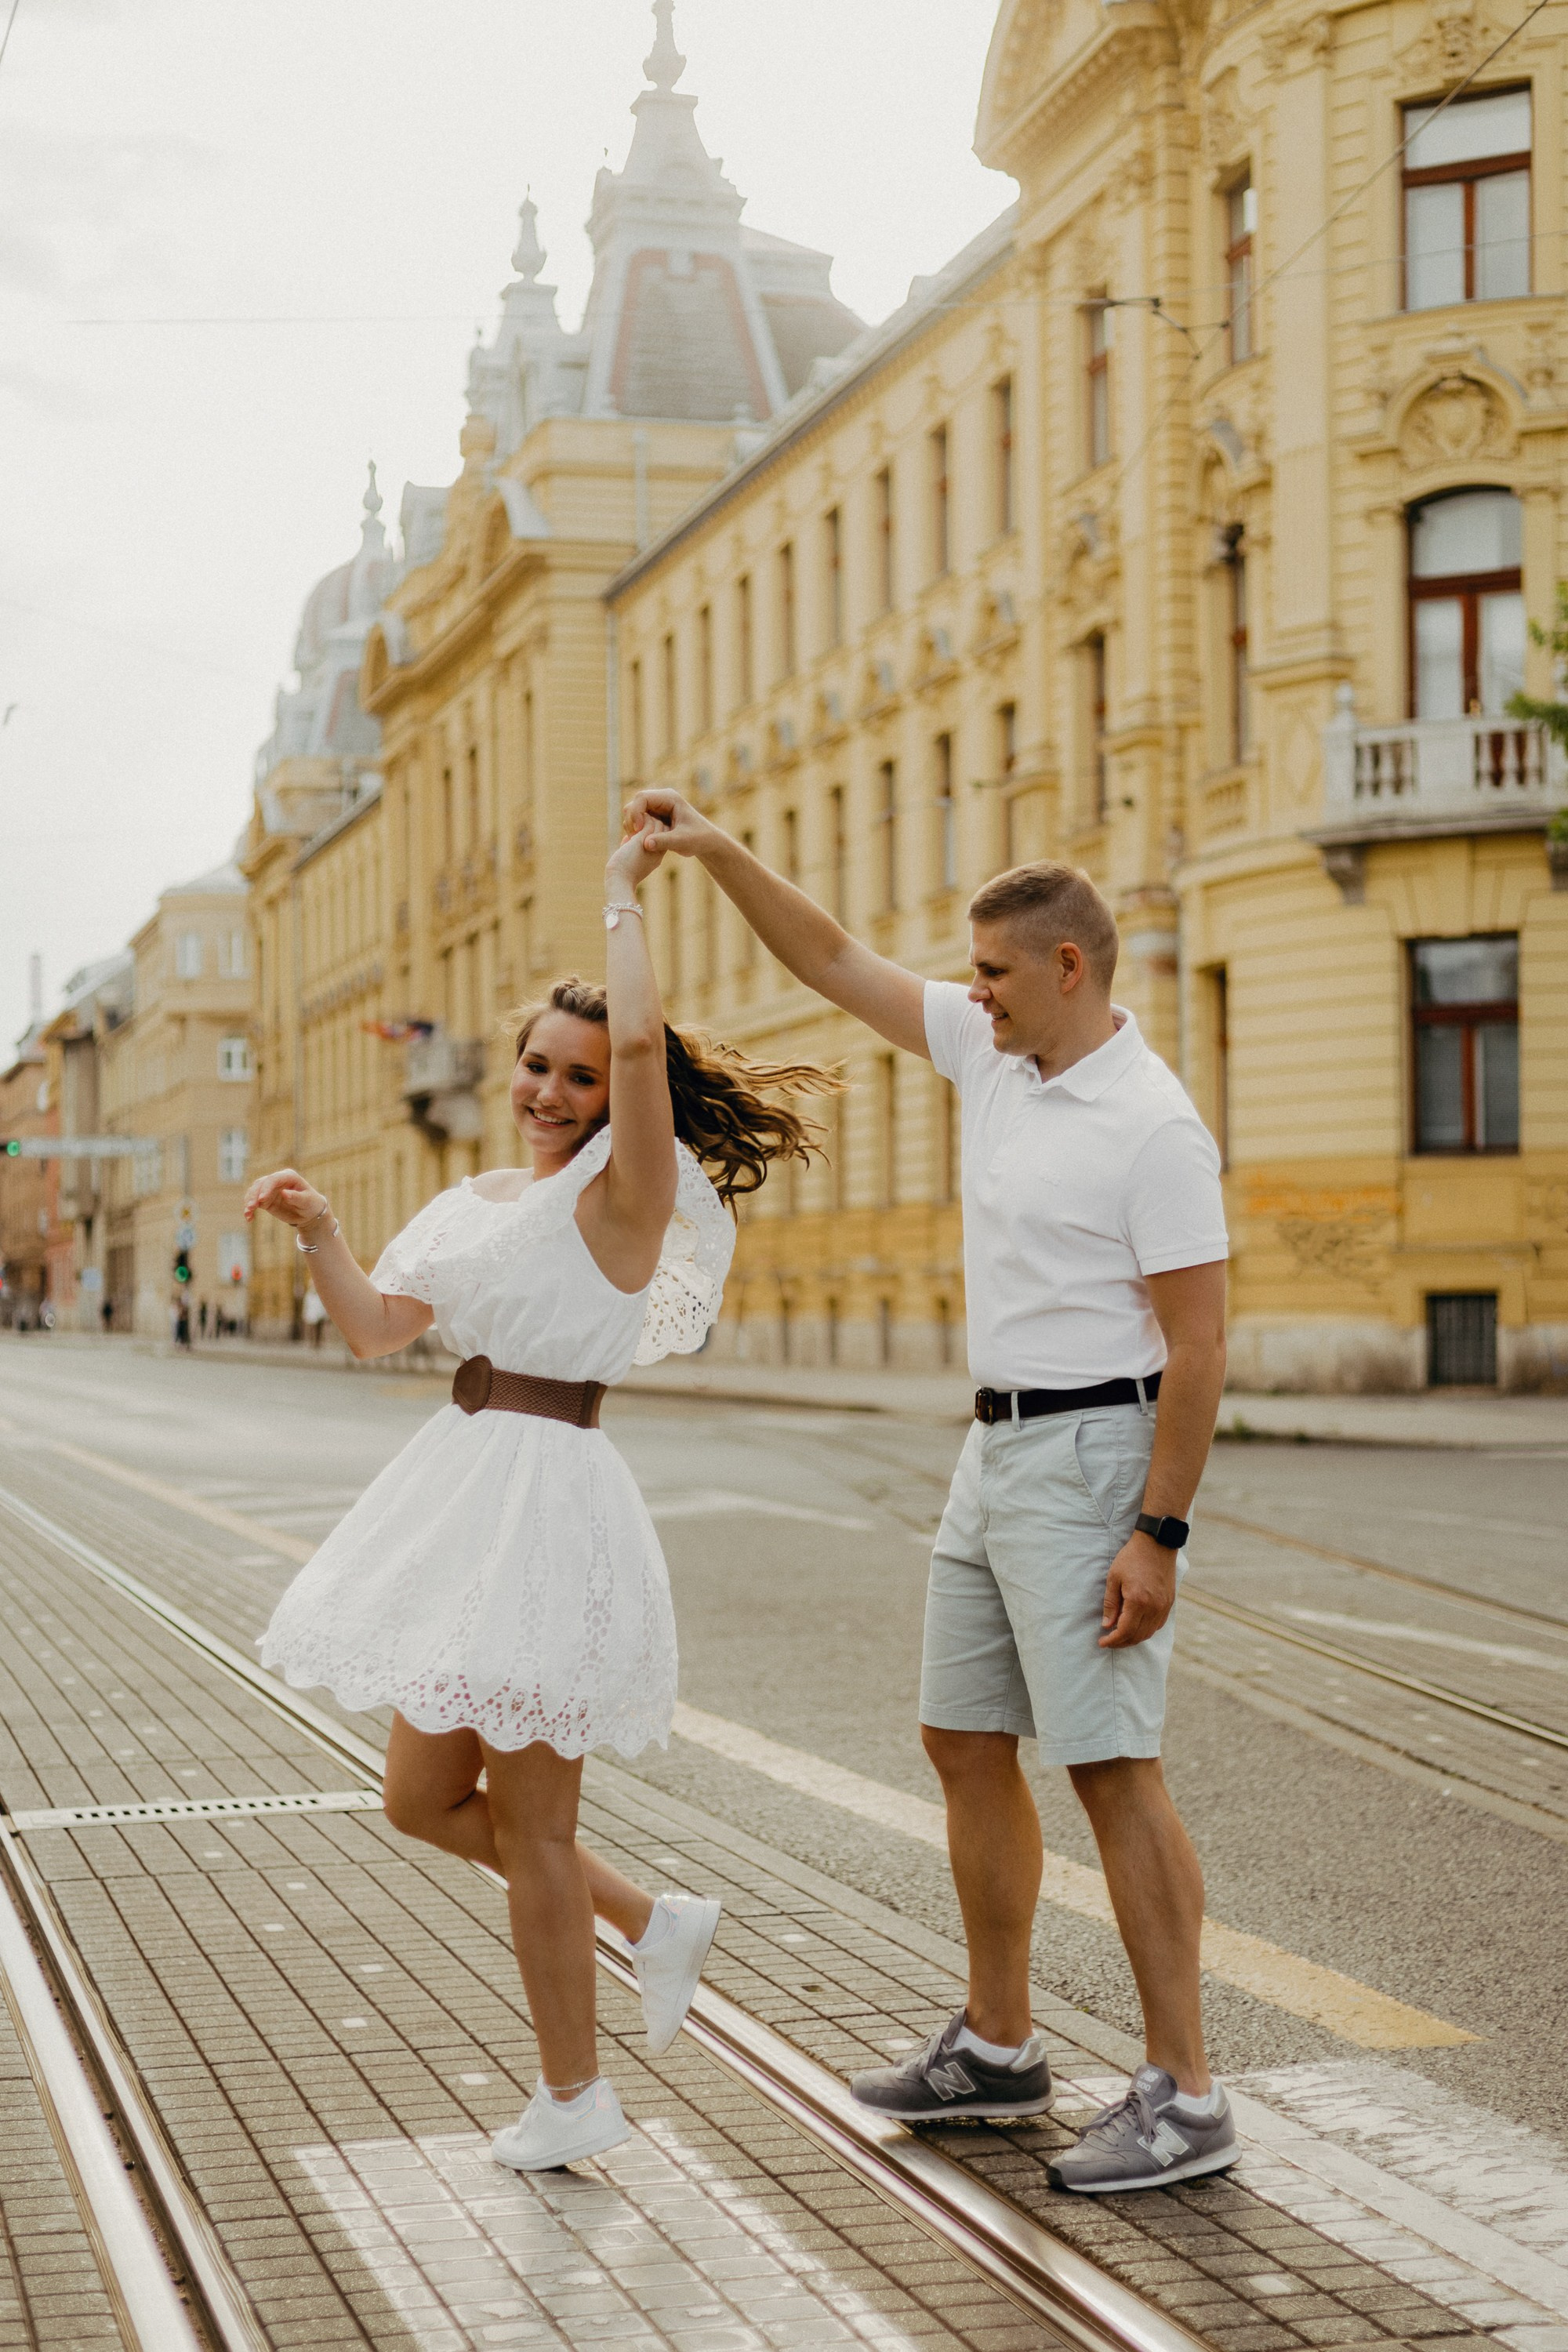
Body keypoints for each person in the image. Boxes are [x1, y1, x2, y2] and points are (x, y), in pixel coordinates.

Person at [624, 789, 1235, 2195]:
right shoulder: (998, 1059)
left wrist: (1158, 1530)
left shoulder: (1151, 1126)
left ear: (1067, 969)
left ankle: (1186, 2092)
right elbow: (833, 958)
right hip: (993, 1450)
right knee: (961, 1735)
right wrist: (716, 853)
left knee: (1111, 1770)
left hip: (1092, 1455)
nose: (974, 996)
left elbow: (1200, 1348)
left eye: (997, 973)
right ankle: (1003, 2046)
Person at [244, 817, 837, 2173]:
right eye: (535, 1067)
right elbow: (380, 1331)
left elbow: (639, 1052)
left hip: (550, 1502)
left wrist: (621, 892)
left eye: (578, 1073)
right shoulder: (476, 1200)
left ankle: (573, 2097)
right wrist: (322, 1231)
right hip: (462, 1497)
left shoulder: (625, 1199)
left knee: (537, 1830)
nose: (551, 1091)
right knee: (415, 1798)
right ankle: (652, 1920)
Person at [301, 1284, 328, 1348]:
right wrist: (304, 1314)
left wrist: (324, 1315)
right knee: (312, 1330)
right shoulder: (309, 1295)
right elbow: (306, 1305)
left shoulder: (320, 1296)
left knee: (319, 1330)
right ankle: (312, 1342)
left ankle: (318, 1342)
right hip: (311, 1314)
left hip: (319, 1315)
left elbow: (322, 1306)